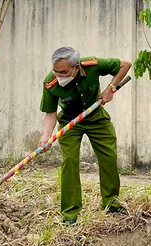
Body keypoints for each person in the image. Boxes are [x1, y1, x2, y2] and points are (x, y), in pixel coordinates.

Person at [39, 46, 132, 225]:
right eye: (56, 71)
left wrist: (110, 89)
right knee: (70, 161)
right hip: (69, 122)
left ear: (76, 67)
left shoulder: (91, 65)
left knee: (108, 157)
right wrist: (46, 136)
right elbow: (50, 113)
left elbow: (125, 65)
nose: (59, 76)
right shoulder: (50, 83)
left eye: (64, 72)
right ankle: (70, 213)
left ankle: (111, 203)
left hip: (96, 117)